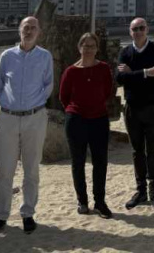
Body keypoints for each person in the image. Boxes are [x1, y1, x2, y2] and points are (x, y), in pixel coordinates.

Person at [0, 16, 53, 235]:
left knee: (31, 169)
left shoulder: (45, 56)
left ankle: (28, 214)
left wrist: (34, 105)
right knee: (4, 170)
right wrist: (9, 104)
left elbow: (48, 84)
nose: (29, 30)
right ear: (19, 30)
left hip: (35, 118)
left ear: (39, 32)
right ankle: (0, 216)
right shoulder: (7, 56)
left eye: (33, 27)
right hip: (7, 118)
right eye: (26, 27)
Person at [60, 32, 114, 218]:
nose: (88, 49)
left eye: (92, 45)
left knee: (100, 162)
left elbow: (107, 91)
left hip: (99, 119)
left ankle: (100, 202)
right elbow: (63, 97)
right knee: (78, 162)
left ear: (97, 48)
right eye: (85, 45)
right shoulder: (71, 71)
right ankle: (82, 201)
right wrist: (75, 111)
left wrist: (95, 106)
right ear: (79, 47)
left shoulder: (104, 68)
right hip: (76, 120)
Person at [116, 17, 154, 212]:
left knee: (152, 151)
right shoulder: (125, 52)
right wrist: (146, 72)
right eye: (134, 29)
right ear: (130, 32)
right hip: (132, 108)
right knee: (137, 151)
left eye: (141, 28)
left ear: (147, 29)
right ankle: (141, 191)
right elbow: (120, 79)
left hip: (153, 106)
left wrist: (133, 74)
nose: (138, 31)